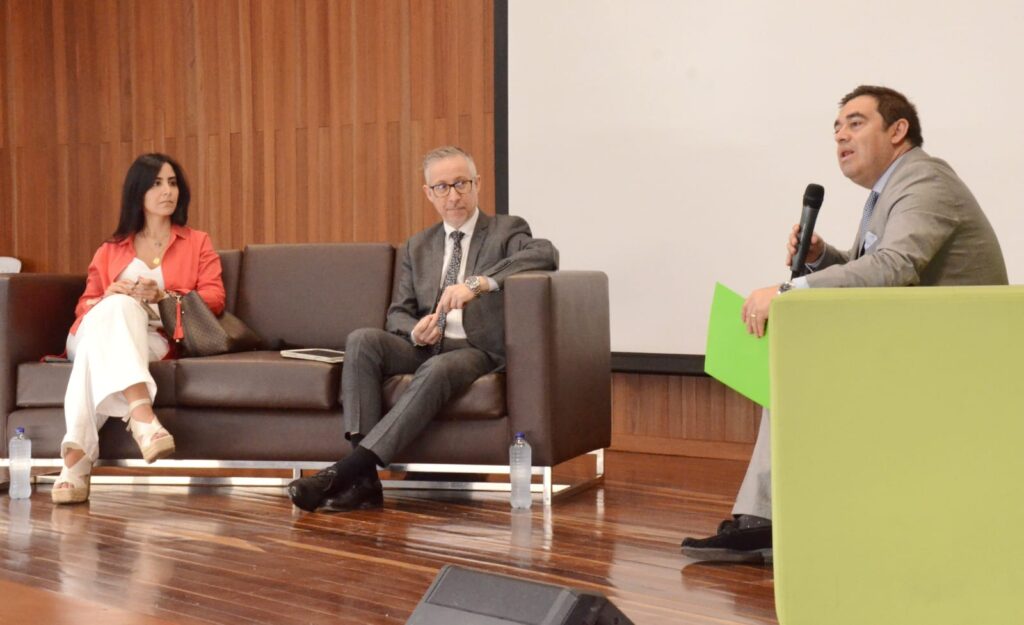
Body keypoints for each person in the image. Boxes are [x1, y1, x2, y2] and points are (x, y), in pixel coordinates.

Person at [681, 85, 1008, 562]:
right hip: (924, 346)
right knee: (796, 357)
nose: (841, 137)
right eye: (836, 129)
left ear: (899, 131)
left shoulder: (924, 180)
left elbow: (894, 268)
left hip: (960, 361)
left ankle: (768, 522)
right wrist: (822, 258)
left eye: (856, 123)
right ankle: (776, 519)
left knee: (797, 363)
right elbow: (873, 267)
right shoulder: (891, 189)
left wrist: (789, 291)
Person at [287, 145, 559, 512]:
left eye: (461, 183)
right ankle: (365, 480)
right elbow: (397, 314)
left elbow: (544, 254)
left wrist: (477, 284)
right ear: (428, 194)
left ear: (478, 184)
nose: (454, 195)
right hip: (427, 344)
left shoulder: (505, 230)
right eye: (443, 187)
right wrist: (415, 332)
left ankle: (345, 472)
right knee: (363, 340)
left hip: (476, 351)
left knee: (439, 367)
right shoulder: (419, 246)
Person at [52, 154, 226, 505]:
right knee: (116, 306)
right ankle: (141, 414)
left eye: (173, 182)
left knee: (94, 351)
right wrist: (107, 296)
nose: (167, 191)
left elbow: (215, 298)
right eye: (157, 183)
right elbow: (83, 305)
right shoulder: (110, 249)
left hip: (154, 337)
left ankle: (76, 459)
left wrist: (162, 296)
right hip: (95, 328)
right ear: (138, 192)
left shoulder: (197, 242)